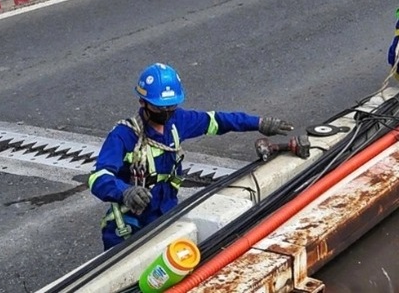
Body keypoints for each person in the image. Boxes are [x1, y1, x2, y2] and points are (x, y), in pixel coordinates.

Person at [88, 63, 293, 249]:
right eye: (160, 108)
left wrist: (258, 123)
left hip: (167, 216)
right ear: (143, 103)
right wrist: (125, 192)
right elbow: (99, 177)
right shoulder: (124, 135)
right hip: (130, 225)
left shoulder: (177, 122)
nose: (167, 112)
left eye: (171, 106)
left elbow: (217, 121)